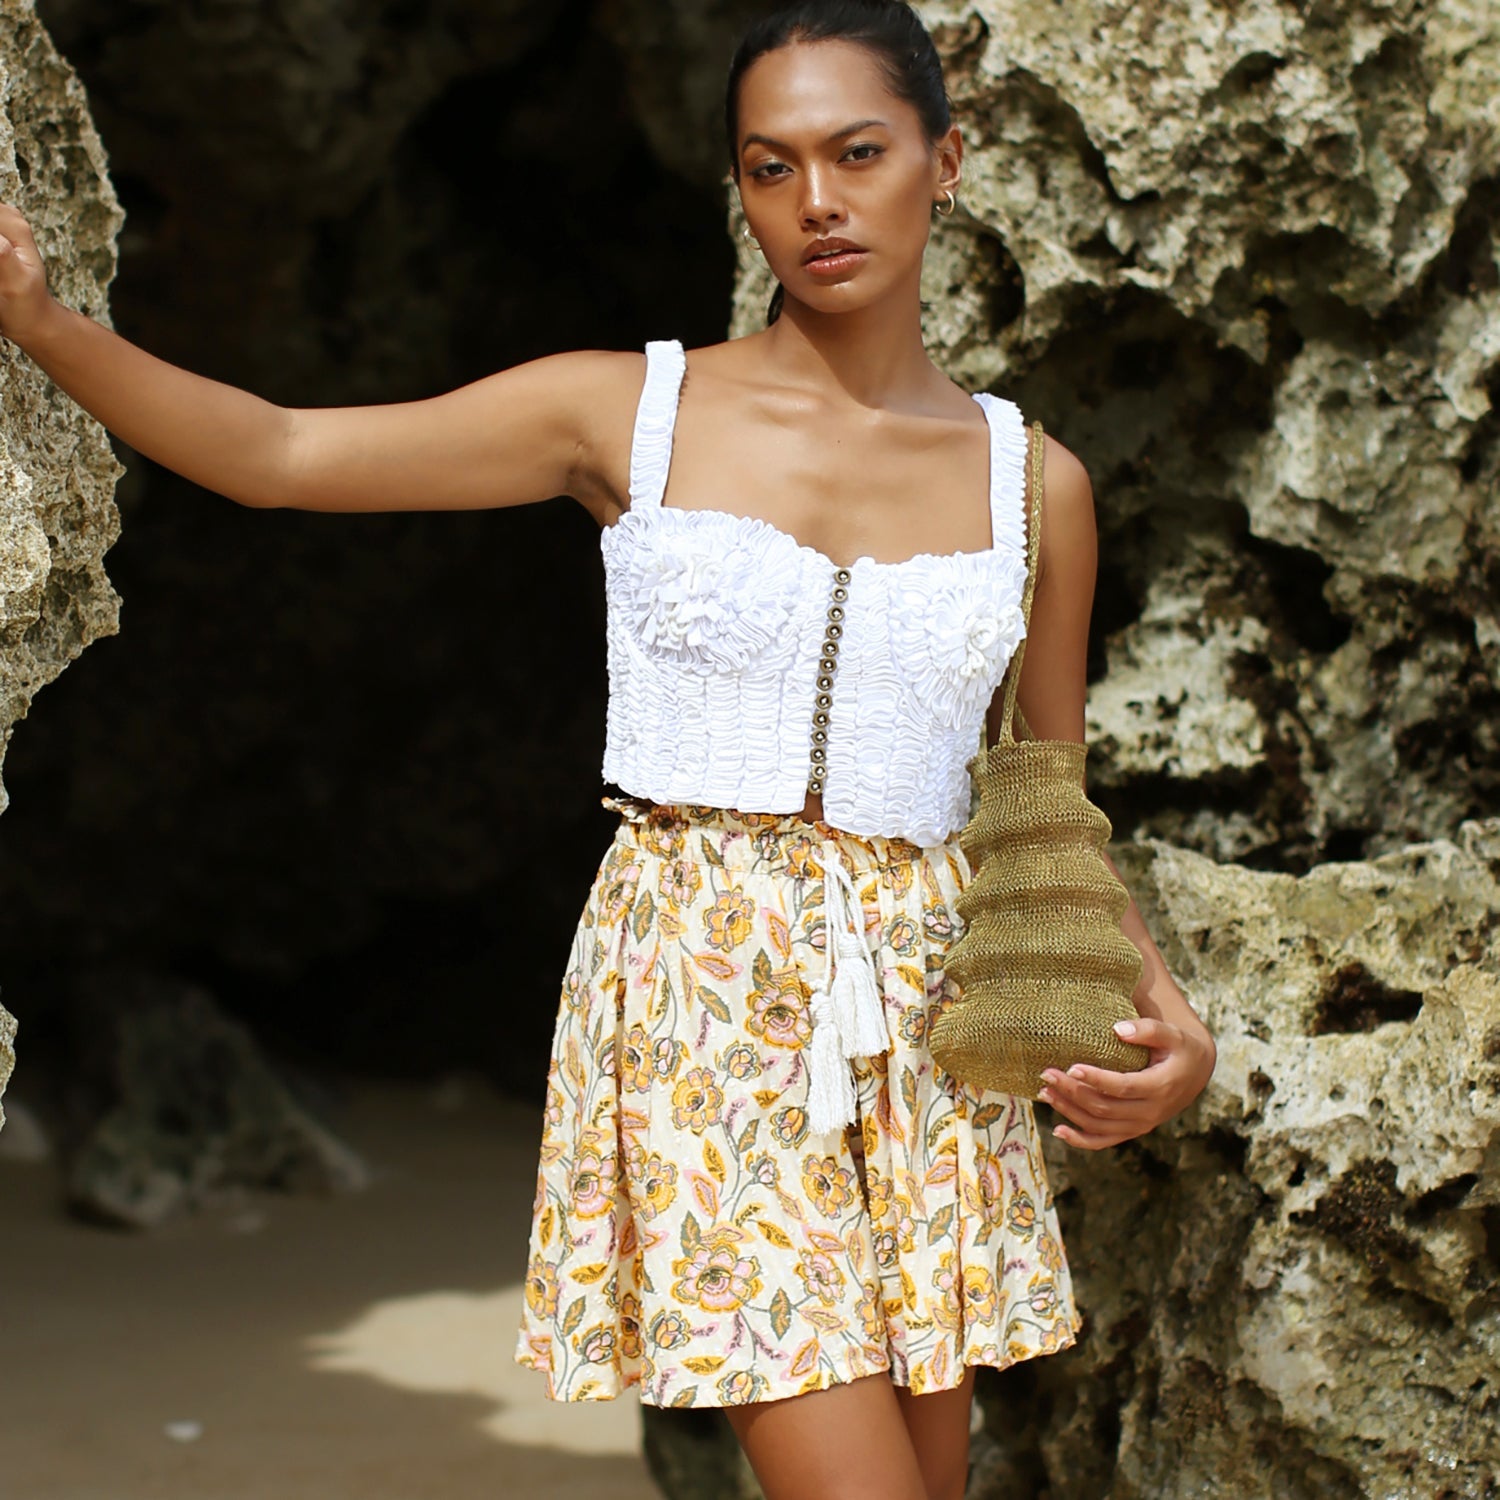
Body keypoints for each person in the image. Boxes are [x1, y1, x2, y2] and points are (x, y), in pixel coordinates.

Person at [0, 1, 1216, 1495]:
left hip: (928, 1039)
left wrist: (1167, 1019)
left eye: (859, 153)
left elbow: (1042, 799)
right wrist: (45, 324)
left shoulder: (1043, 487)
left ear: (946, 161)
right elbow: (281, 456)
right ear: (739, 192)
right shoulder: (624, 412)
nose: (817, 202)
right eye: (770, 168)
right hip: (698, 993)